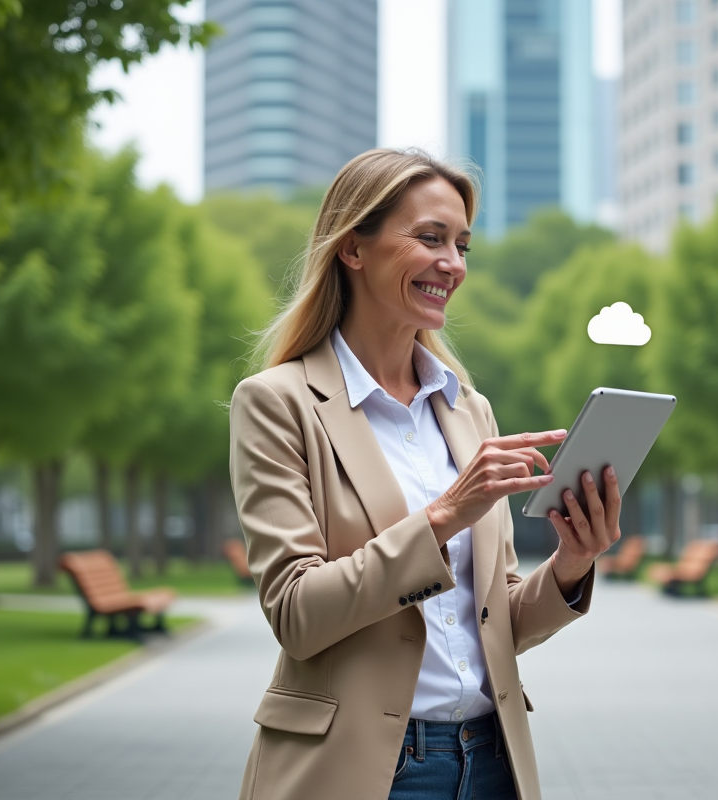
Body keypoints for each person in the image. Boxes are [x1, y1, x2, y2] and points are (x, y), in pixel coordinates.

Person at [228, 149, 621, 800]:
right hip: (363, 770)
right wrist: (443, 517)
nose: (454, 264)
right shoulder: (279, 403)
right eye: (431, 238)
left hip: (491, 761)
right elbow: (296, 614)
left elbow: (495, 620)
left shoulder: (469, 410)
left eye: (463, 245)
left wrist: (572, 565)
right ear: (355, 249)